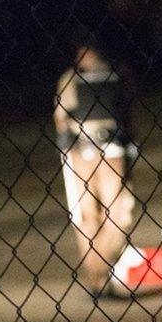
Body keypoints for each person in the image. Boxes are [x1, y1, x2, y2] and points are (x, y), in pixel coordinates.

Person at [55, 44, 137, 295]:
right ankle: (97, 276)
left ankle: (105, 270)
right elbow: (62, 117)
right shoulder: (71, 78)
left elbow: (130, 110)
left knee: (118, 212)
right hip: (82, 152)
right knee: (88, 215)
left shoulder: (119, 75)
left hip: (112, 149)